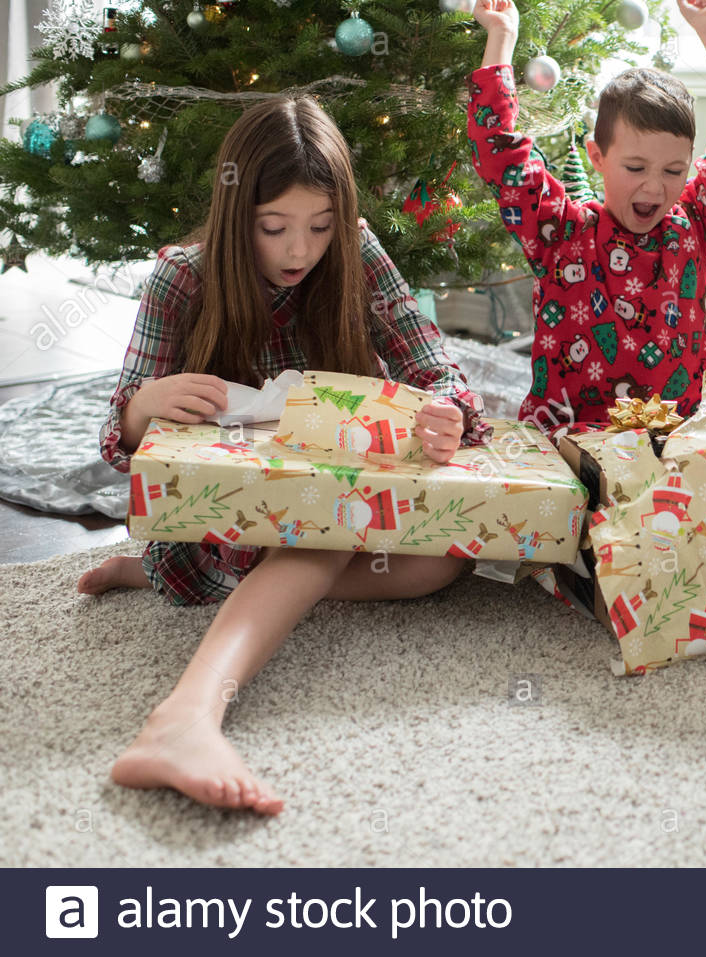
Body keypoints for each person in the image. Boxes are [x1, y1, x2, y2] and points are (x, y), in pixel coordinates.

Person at [77, 95, 490, 814]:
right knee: (324, 530)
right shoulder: (183, 277)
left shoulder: (355, 253)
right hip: (215, 523)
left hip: (318, 506)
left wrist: (445, 411)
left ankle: (168, 582)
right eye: (274, 228)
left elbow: (435, 365)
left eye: (320, 227)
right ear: (241, 219)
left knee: (445, 558)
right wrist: (146, 405)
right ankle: (186, 716)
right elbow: (124, 440)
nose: (300, 250)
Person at [467, 0, 706, 434]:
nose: (654, 187)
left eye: (673, 171)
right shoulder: (560, 232)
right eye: (635, 168)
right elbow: (496, 146)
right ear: (597, 156)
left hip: (674, 439)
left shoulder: (696, 225)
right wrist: (502, 36)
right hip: (569, 445)